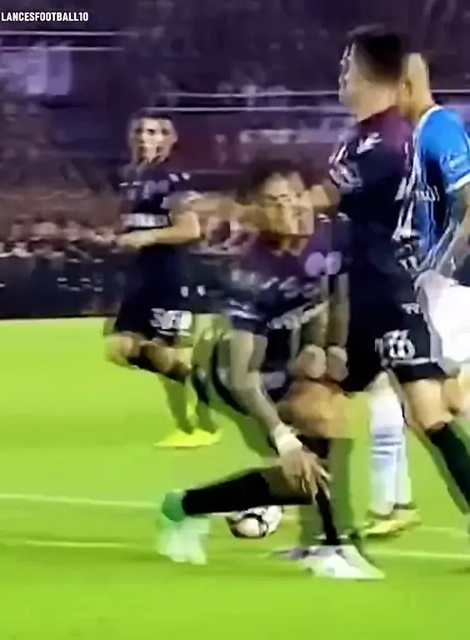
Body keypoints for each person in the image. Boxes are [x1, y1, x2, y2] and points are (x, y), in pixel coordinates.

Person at [158, 159, 383, 579]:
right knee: (312, 440)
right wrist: (283, 438)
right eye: (274, 202)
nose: (289, 208)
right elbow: (241, 375)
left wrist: (328, 345)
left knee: (305, 465)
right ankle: (329, 547)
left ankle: (184, 506)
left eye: (294, 196)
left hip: (288, 359)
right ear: (256, 212)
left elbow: (335, 296)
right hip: (235, 377)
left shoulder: (331, 234)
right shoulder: (249, 275)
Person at [363, 50, 470, 537]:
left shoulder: (439, 130)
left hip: (451, 289)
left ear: (403, 87)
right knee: (423, 405)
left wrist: (438, 271)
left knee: (445, 400)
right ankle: (395, 503)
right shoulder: (413, 138)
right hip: (428, 287)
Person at [105, 109, 216, 447]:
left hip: (170, 277)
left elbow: (190, 229)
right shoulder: (134, 178)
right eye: (139, 131)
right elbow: (140, 224)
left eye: (153, 132)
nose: (144, 138)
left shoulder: (174, 178)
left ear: (169, 139)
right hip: (143, 277)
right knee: (122, 349)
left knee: (163, 352)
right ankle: (200, 400)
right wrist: (120, 236)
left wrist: (146, 237)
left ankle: (200, 425)